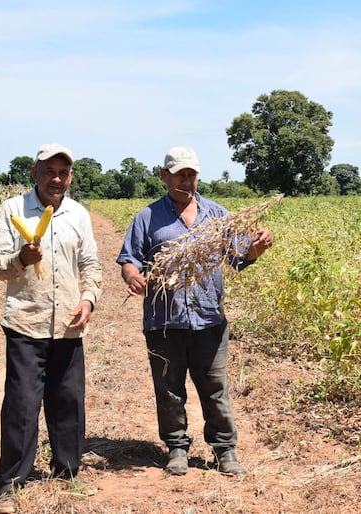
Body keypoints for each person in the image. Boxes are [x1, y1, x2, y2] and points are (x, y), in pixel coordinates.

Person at [116, 146, 273, 477]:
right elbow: (129, 258)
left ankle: (224, 451)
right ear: (165, 176)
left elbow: (239, 257)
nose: (186, 181)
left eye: (192, 174)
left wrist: (256, 249)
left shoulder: (217, 215)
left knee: (214, 389)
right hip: (163, 321)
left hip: (208, 319)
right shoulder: (147, 218)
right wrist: (133, 276)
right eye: (179, 174)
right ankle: (176, 448)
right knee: (169, 389)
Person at [0, 143, 102, 514]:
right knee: (21, 406)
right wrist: (21, 258)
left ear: (70, 177)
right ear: (35, 174)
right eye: (49, 171)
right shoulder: (14, 210)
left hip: (68, 325)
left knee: (68, 402)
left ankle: (66, 473)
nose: (56, 178)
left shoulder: (78, 215)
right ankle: (10, 483)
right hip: (25, 321)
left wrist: (88, 300)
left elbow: (91, 266)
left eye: (63, 173)